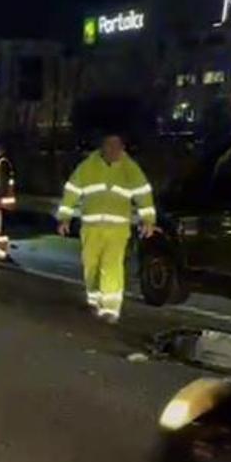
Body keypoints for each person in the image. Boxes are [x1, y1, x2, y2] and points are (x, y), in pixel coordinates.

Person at [56, 133, 157, 324]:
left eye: (117, 148)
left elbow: (143, 194)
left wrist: (148, 220)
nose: (113, 152)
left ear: (122, 149)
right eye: (109, 148)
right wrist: (64, 218)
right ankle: (94, 299)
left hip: (117, 229)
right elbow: (72, 192)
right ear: (102, 148)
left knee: (112, 266)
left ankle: (111, 308)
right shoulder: (88, 167)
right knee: (91, 265)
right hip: (92, 227)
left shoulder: (130, 169)